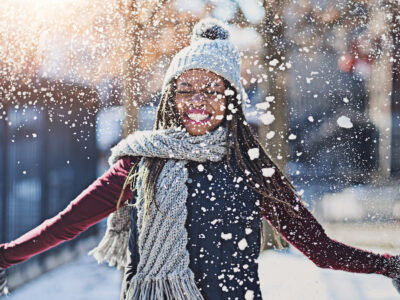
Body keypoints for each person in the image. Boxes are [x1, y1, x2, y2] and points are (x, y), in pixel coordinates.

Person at [1, 18, 400, 300]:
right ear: (171, 98)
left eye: (211, 90)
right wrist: (6, 257)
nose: (196, 102)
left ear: (230, 99)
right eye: (185, 89)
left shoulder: (252, 166)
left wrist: (388, 265)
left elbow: (319, 249)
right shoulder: (142, 163)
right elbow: (67, 225)